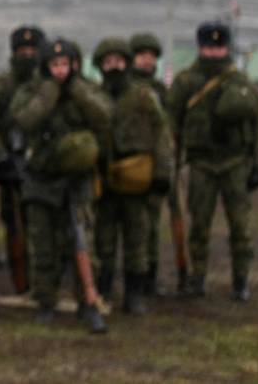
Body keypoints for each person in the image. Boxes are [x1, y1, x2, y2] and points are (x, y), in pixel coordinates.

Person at [10, 38, 111, 333]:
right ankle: (45, 301)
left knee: (81, 242)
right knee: (43, 244)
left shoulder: (86, 90)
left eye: (65, 64)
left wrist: (77, 91)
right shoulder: (32, 91)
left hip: (76, 178)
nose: (60, 70)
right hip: (40, 178)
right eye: (54, 65)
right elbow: (22, 120)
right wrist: (48, 94)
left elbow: (105, 117)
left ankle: (88, 303)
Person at [168, 21, 258, 301]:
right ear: (200, 47)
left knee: (241, 227)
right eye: (210, 48)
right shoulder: (186, 82)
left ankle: (240, 282)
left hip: (236, 163)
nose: (214, 53)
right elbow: (172, 124)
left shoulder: (240, 81)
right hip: (201, 164)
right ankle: (197, 279)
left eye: (219, 47)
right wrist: (171, 165)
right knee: (199, 226)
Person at [91, 38, 173, 315]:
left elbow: (161, 134)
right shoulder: (92, 96)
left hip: (137, 177)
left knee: (137, 239)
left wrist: (162, 173)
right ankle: (103, 291)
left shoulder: (143, 97)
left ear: (126, 63)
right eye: (108, 62)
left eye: (119, 61)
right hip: (103, 178)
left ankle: (134, 294)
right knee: (104, 240)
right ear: (100, 66)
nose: (114, 67)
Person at [0, 25, 45, 293]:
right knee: (13, 225)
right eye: (22, 51)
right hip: (10, 164)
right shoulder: (2, 85)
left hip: (43, 165)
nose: (27, 56)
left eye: (32, 50)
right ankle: (20, 281)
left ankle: (47, 282)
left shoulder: (49, 85)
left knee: (43, 226)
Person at [128, 31, 181, 294]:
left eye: (151, 57)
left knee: (151, 225)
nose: (147, 61)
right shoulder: (125, 87)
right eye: (142, 56)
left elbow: (168, 127)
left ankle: (149, 276)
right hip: (130, 165)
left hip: (155, 163)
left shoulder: (161, 90)